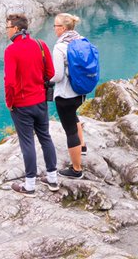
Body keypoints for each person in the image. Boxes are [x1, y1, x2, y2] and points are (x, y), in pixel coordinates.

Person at [3, 13, 59, 194]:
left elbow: (10, 82)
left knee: (27, 142)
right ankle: (52, 179)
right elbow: (50, 72)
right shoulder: (41, 45)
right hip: (41, 101)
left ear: (17, 29)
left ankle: (30, 185)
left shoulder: (11, 50)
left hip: (21, 104)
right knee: (45, 137)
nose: (6, 31)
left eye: (8, 27)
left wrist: (10, 102)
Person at [51, 12, 88, 178]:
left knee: (70, 131)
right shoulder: (81, 41)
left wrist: (46, 80)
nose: (54, 29)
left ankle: (76, 169)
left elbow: (57, 76)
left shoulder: (60, 47)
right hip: (80, 92)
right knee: (74, 117)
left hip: (65, 95)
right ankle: (83, 146)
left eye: (56, 26)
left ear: (63, 28)